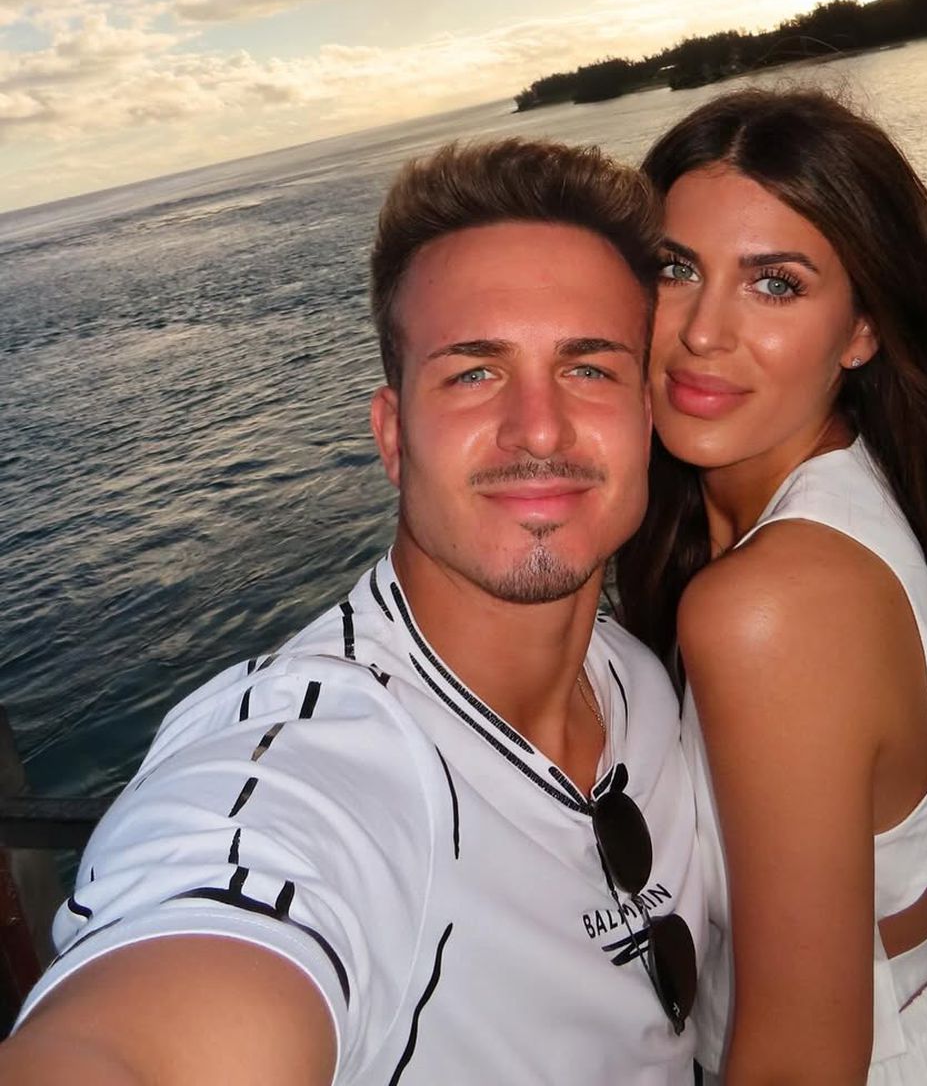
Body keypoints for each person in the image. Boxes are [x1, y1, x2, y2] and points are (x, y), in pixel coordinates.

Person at [1, 138, 705, 1086]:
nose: (538, 426)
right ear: (392, 435)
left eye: (589, 369)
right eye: (473, 372)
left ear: (646, 423)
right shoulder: (311, 766)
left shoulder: (642, 682)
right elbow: (148, 1017)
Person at [616, 87, 927, 1085]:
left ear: (862, 331)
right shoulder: (846, 486)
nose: (703, 331)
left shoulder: (770, 604)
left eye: (776, 284)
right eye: (676, 268)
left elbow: (802, 1064)